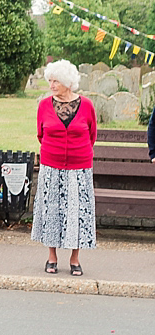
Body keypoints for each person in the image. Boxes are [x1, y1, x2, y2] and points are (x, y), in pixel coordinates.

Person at [32, 60, 98, 276]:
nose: (51, 85)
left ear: (68, 82)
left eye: (56, 81)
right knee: (51, 210)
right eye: (50, 80)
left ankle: (75, 258)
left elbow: (91, 135)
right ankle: (52, 256)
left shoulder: (86, 105)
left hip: (79, 168)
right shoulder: (44, 105)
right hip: (51, 165)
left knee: (76, 212)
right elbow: (41, 135)